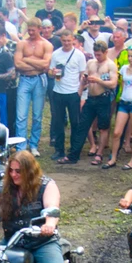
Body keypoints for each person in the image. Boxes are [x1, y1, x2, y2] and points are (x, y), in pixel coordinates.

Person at [46, 30, 87, 165]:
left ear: (73, 39)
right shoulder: (56, 54)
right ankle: (59, 150)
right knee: (58, 122)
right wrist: (53, 72)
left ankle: (74, 150)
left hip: (73, 92)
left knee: (75, 122)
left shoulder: (79, 55)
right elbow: (50, 72)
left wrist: (80, 92)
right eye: (64, 41)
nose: (67, 43)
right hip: (58, 91)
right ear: (61, 40)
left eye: (69, 40)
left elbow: (82, 74)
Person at [13, 20, 52, 152]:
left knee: (37, 115)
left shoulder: (46, 45)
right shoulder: (22, 44)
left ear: (39, 29)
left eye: (33, 30)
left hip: (39, 79)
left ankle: (34, 144)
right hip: (24, 79)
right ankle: (21, 146)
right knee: (21, 115)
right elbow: (17, 64)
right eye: (29, 30)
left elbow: (45, 64)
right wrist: (37, 64)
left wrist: (27, 59)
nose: (30, 33)